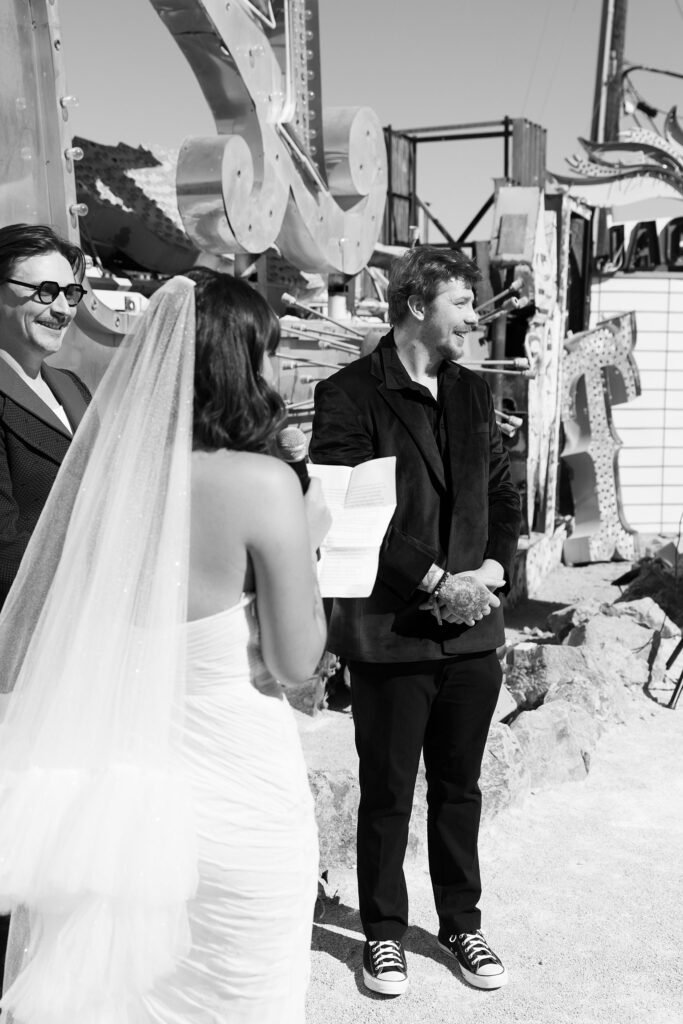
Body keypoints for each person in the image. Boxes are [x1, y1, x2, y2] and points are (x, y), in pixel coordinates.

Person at [0, 270, 330, 1023]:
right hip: (241, 794)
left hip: (130, 807)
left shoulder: (115, 486)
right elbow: (294, 662)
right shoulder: (264, 484)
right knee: (242, 992)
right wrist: (306, 542)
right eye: (272, 351)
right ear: (241, 364)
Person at [309, 245, 522, 996]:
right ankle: (382, 933)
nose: (475, 318)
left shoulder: (471, 392)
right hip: (391, 631)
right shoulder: (348, 394)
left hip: (475, 625)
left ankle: (462, 924)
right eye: (463, 302)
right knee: (388, 789)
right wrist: (434, 579)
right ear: (415, 304)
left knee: (461, 788)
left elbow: (503, 492)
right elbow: (341, 508)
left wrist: (491, 574)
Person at [0, 222, 91, 989]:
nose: (62, 306)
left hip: (78, 649)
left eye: (71, 291)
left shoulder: (70, 388)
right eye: (44, 290)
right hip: (19, 658)